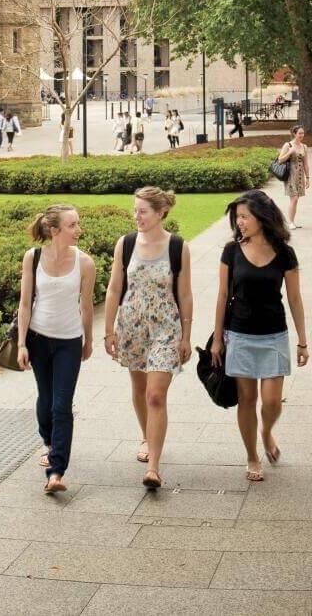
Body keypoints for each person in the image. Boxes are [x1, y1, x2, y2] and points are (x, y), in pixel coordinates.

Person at [211, 191, 307, 482]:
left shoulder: (285, 253)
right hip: (239, 335)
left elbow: (294, 299)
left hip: (274, 335)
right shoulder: (231, 251)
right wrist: (218, 339)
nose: (239, 222)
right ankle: (253, 456)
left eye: (245, 216)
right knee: (247, 399)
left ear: (262, 217)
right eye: (237, 217)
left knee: (273, 401)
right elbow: (222, 295)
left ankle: (266, 432)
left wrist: (303, 341)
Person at [104, 187, 193, 488]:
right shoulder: (125, 243)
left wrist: (186, 336)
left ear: (160, 213)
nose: (137, 216)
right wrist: (108, 331)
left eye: (143, 211)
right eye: (135, 210)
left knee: (156, 394)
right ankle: (146, 436)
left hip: (166, 329)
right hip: (132, 327)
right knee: (140, 387)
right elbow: (115, 288)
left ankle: (153, 467)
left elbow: (185, 293)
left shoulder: (178, 246)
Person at [16, 205, 96, 494]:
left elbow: (86, 305)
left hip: (69, 342)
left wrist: (88, 340)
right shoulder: (33, 258)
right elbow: (25, 304)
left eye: (78, 223)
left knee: (62, 405)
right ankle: (49, 442)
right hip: (38, 339)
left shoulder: (85, 263)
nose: (78, 229)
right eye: (72, 225)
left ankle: (56, 471)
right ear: (54, 230)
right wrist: (22, 343)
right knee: (46, 400)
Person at [277, 126, 309, 230]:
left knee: (296, 200)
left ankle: (292, 221)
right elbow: (280, 160)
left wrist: (307, 177)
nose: (301, 135)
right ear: (294, 134)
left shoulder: (304, 147)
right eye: (299, 133)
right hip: (290, 175)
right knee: (294, 199)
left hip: (299, 176)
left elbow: (306, 164)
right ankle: (290, 222)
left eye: (303, 133)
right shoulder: (288, 145)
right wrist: (290, 152)